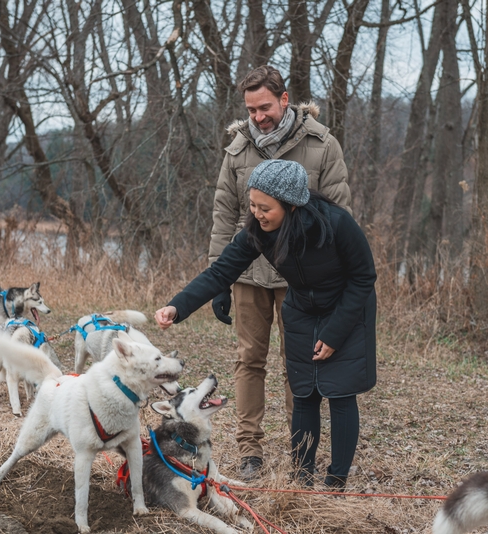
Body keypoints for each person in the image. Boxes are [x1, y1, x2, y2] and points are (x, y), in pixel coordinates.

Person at [156, 159, 376, 489]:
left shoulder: (336, 223)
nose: (257, 213)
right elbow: (220, 272)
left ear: (291, 204)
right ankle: (302, 479)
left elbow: (363, 278)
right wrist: (177, 306)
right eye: (253, 205)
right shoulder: (259, 232)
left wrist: (334, 333)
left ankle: (336, 481)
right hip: (302, 310)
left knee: (340, 393)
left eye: (265, 207)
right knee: (304, 393)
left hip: (346, 308)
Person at [208, 65, 352, 479]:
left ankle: (300, 452)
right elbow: (224, 215)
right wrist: (219, 278)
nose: (258, 117)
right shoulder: (236, 151)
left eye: (265, 107)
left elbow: (339, 215)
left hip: (300, 279)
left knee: (300, 365)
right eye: (251, 110)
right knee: (249, 360)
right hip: (248, 274)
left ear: (284, 99)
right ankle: (250, 451)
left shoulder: (322, 146)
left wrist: (332, 277)